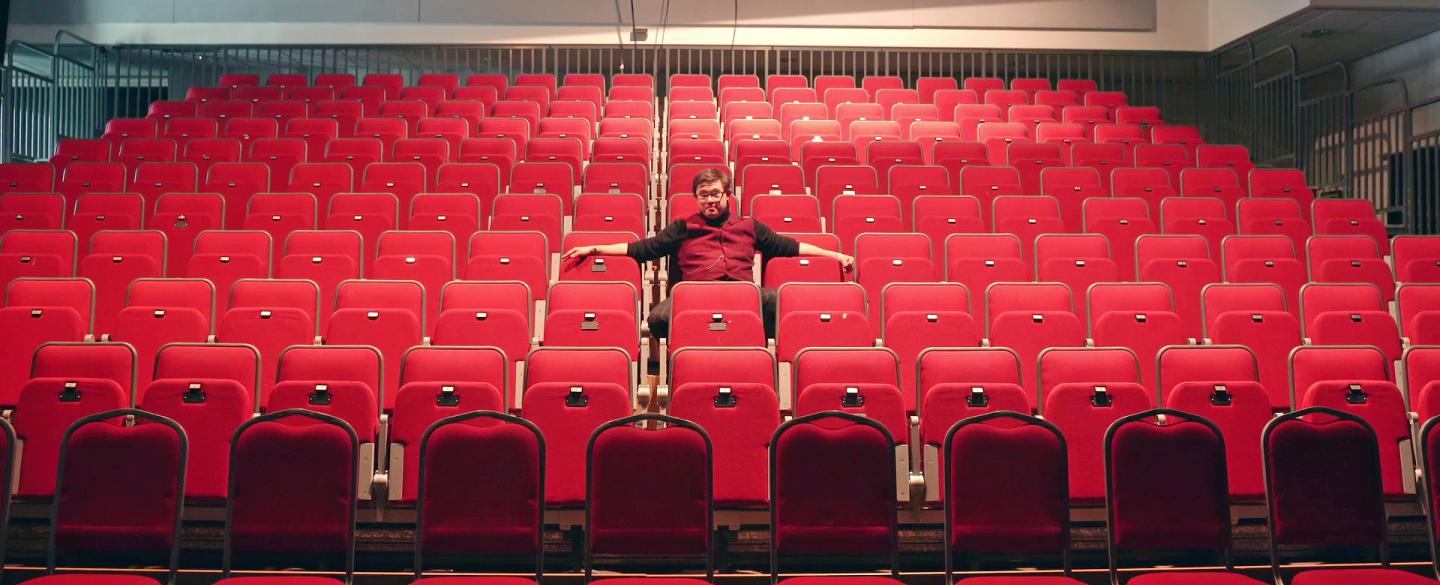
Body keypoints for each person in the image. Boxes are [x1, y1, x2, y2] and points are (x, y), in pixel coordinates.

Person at [561, 167, 854, 337]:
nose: (710, 200)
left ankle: (759, 353)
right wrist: (595, 248)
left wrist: (835, 256)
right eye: (704, 195)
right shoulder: (683, 227)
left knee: (781, 303)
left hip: (742, 293)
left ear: (728, 195)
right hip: (696, 294)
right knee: (657, 319)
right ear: (697, 198)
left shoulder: (749, 226)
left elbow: (790, 246)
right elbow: (642, 249)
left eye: (715, 194)